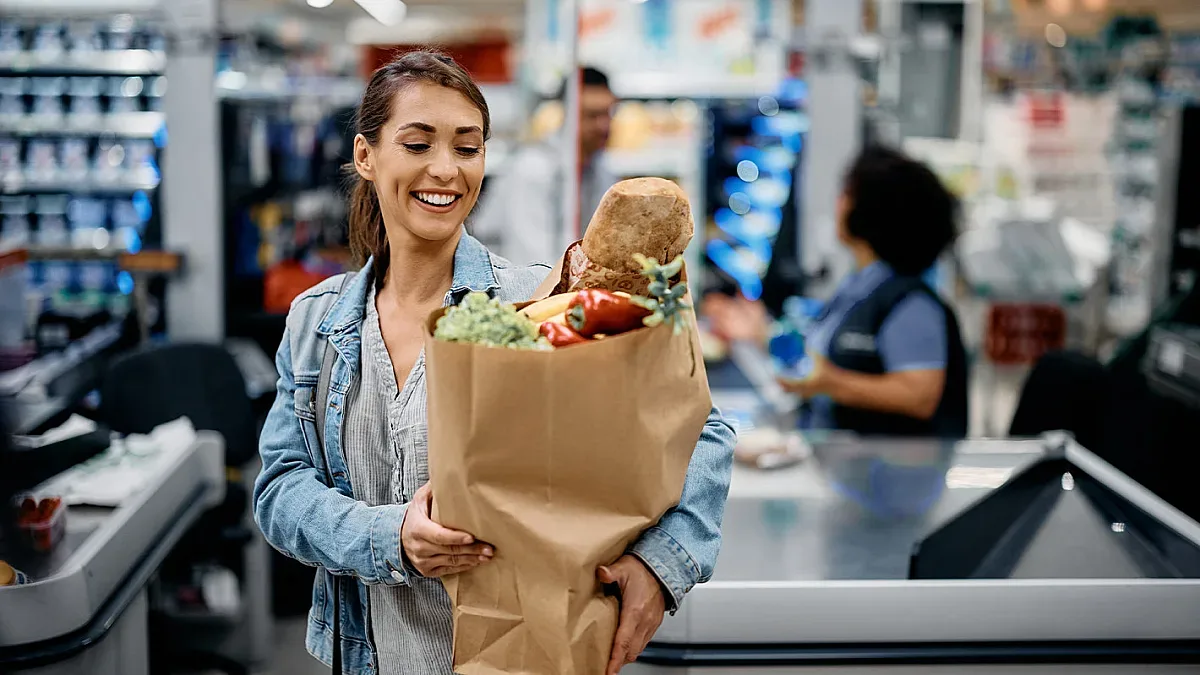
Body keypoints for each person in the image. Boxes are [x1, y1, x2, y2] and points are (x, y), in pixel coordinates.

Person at [253, 51, 735, 675]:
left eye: (467, 147)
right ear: (367, 157)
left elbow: (699, 428)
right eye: (418, 143)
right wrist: (388, 536)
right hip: (366, 654)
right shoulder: (316, 323)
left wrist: (662, 563)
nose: (445, 170)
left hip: (523, 654)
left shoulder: (543, 306)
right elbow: (280, 488)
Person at [705, 146, 968, 437]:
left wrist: (830, 383)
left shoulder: (911, 302)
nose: (838, 204)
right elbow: (817, 364)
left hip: (891, 476)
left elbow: (920, 397)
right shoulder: (861, 286)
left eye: (847, 195)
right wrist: (760, 333)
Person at [471, 66, 619, 266]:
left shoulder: (600, 167)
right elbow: (532, 260)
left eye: (607, 114)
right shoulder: (533, 168)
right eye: (592, 116)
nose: (603, 126)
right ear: (567, 115)